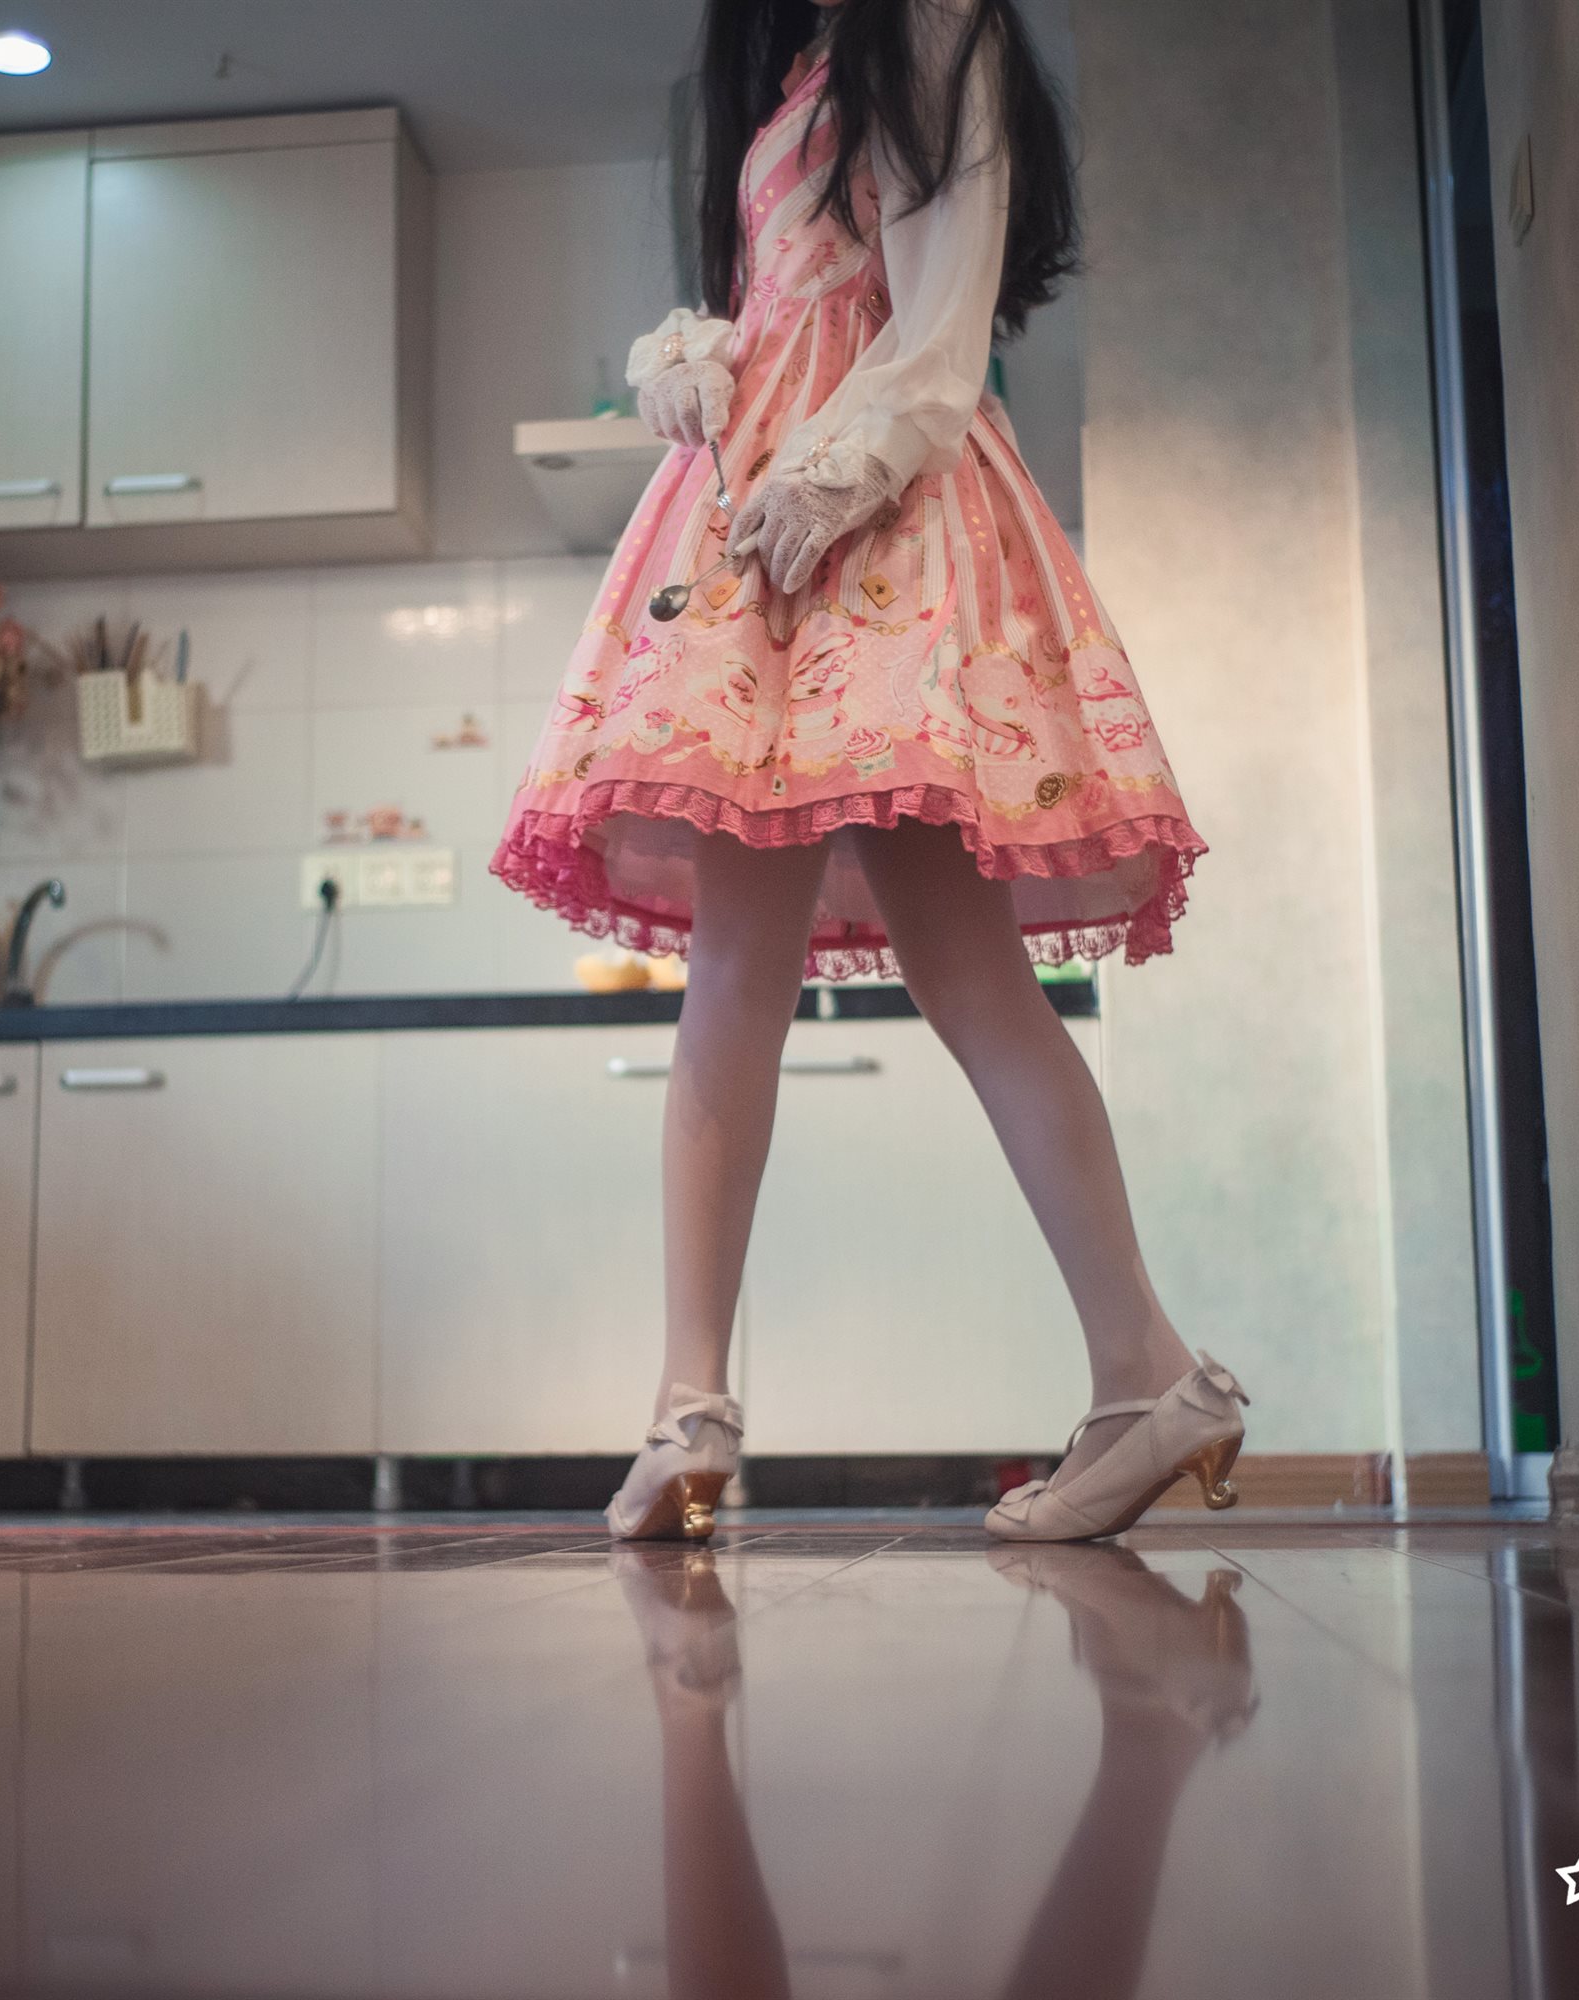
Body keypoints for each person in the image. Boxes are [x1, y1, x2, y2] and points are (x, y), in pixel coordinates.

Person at [488, 0, 1248, 1545]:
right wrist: (697, 355)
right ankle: (1143, 1372)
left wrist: (821, 474)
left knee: (776, 980)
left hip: (866, 519)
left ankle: (702, 1405)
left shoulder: (932, 21)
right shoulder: (803, 63)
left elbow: (938, 336)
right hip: (806, 514)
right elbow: (795, 299)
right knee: (930, 984)